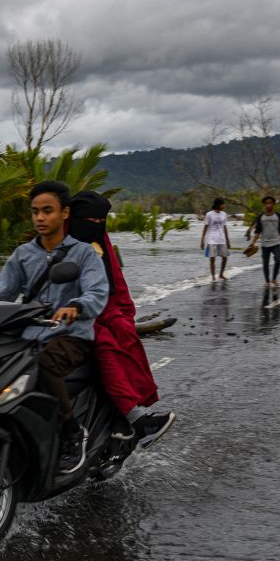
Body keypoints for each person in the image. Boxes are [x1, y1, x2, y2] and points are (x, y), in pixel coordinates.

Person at [0, 180, 109, 471]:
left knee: (45, 364)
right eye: (35, 211)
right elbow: (1, 294)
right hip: (28, 334)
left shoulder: (84, 253)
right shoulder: (23, 255)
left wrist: (76, 307)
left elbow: (97, 293)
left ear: (64, 214)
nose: (40, 218)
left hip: (71, 336)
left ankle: (72, 433)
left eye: (47, 211)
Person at [68, 191, 176, 449]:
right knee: (106, 344)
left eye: (99, 221)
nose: (95, 226)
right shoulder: (56, 243)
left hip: (99, 308)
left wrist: (123, 313)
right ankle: (133, 416)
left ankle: (127, 415)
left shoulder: (101, 242)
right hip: (69, 312)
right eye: (89, 221)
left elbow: (115, 279)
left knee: (124, 335)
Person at [248, 196, 280, 286]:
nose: (268, 205)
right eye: (267, 203)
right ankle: (267, 281)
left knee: (278, 260)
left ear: (273, 204)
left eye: (270, 203)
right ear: (264, 205)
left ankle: (274, 279)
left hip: (276, 243)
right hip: (265, 244)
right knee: (265, 263)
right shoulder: (261, 216)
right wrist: (252, 243)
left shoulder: (278, 216)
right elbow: (257, 231)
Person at [200, 198, 231, 280]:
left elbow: (225, 227)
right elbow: (205, 228)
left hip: (222, 239)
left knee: (225, 257)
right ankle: (213, 276)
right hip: (212, 239)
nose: (224, 205)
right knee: (212, 259)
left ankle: (221, 274)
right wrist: (202, 241)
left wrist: (228, 240)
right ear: (218, 205)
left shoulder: (224, 214)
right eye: (223, 204)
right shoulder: (209, 214)